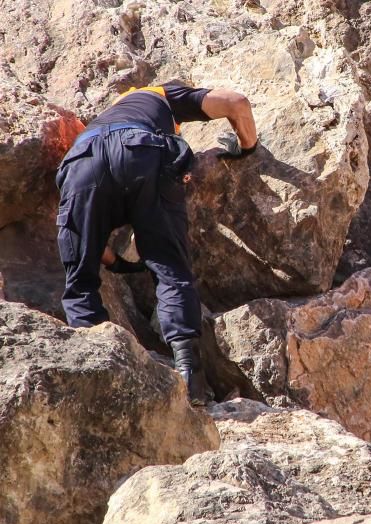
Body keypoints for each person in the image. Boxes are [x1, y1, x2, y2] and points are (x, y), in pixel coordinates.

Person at [55, 82, 258, 404]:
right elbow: (236, 101)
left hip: (81, 162)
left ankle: (97, 387)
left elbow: (91, 248)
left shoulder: (99, 122)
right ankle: (191, 381)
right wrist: (247, 147)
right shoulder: (159, 94)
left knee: (80, 283)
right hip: (143, 151)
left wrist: (120, 264)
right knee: (170, 269)